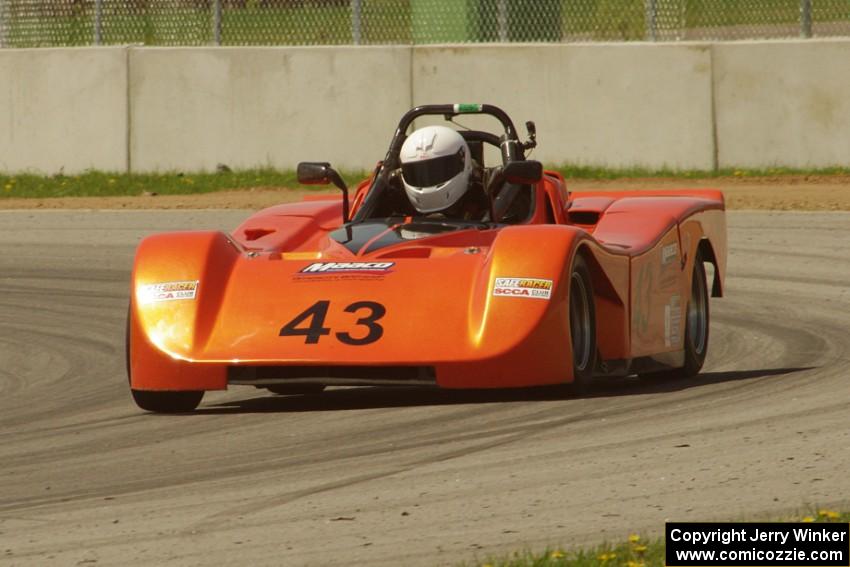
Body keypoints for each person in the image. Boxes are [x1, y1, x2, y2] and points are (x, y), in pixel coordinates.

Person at [399, 125, 488, 221]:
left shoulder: (486, 200)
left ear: (463, 162)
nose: (429, 178)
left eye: (436, 171)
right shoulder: (397, 203)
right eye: (417, 173)